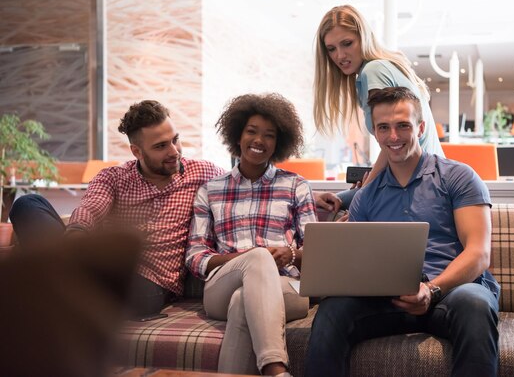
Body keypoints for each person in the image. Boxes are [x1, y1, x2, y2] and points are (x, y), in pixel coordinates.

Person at [304, 86, 500, 377]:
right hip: (386, 300)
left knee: (476, 304)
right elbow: (352, 266)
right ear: (375, 132)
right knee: (332, 310)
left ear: (420, 128)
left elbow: (479, 253)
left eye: (402, 126)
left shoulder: (458, 177)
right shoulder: (366, 197)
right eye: (384, 128)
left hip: (451, 293)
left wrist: (431, 290)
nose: (393, 137)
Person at [9, 100, 226, 319]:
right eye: (160, 146)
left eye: (175, 140)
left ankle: (59, 289)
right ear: (136, 151)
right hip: (99, 266)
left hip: (151, 284)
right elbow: (91, 208)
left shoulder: (202, 172)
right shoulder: (114, 177)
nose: (174, 151)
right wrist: (75, 237)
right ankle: (65, 285)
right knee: (27, 205)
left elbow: (239, 183)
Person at [185, 93, 315, 377]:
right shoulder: (211, 189)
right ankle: (274, 368)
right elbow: (195, 258)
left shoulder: (295, 185)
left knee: (242, 301)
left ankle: (273, 369)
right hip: (222, 287)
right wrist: (245, 258)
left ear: (278, 142)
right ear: (237, 135)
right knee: (256, 259)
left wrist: (290, 254)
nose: (259, 141)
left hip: (287, 287)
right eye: (252, 131)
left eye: (269, 135)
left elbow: (318, 253)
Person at [314, 4, 444, 208]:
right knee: (333, 202)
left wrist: (364, 195)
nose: (340, 56)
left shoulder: (373, 71)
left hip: (417, 188)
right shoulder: (381, 66)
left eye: (347, 43)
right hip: (424, 182)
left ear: (363, 38)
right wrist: (358, 191)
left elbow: (394, 141)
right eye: (331, 49)